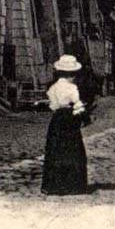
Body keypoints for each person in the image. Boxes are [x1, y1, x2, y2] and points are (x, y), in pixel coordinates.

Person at [41, 54, 89, 196]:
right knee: (72, 150)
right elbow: (77, 105)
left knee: (55, 150)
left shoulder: (53, 87)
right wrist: (82, 113)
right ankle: (72, 185)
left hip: (57, 121)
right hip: (69, 121)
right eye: (73, 74)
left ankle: (53, 185)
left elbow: (52, 105)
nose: (74, 77)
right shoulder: (72, 88)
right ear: (70, 74)